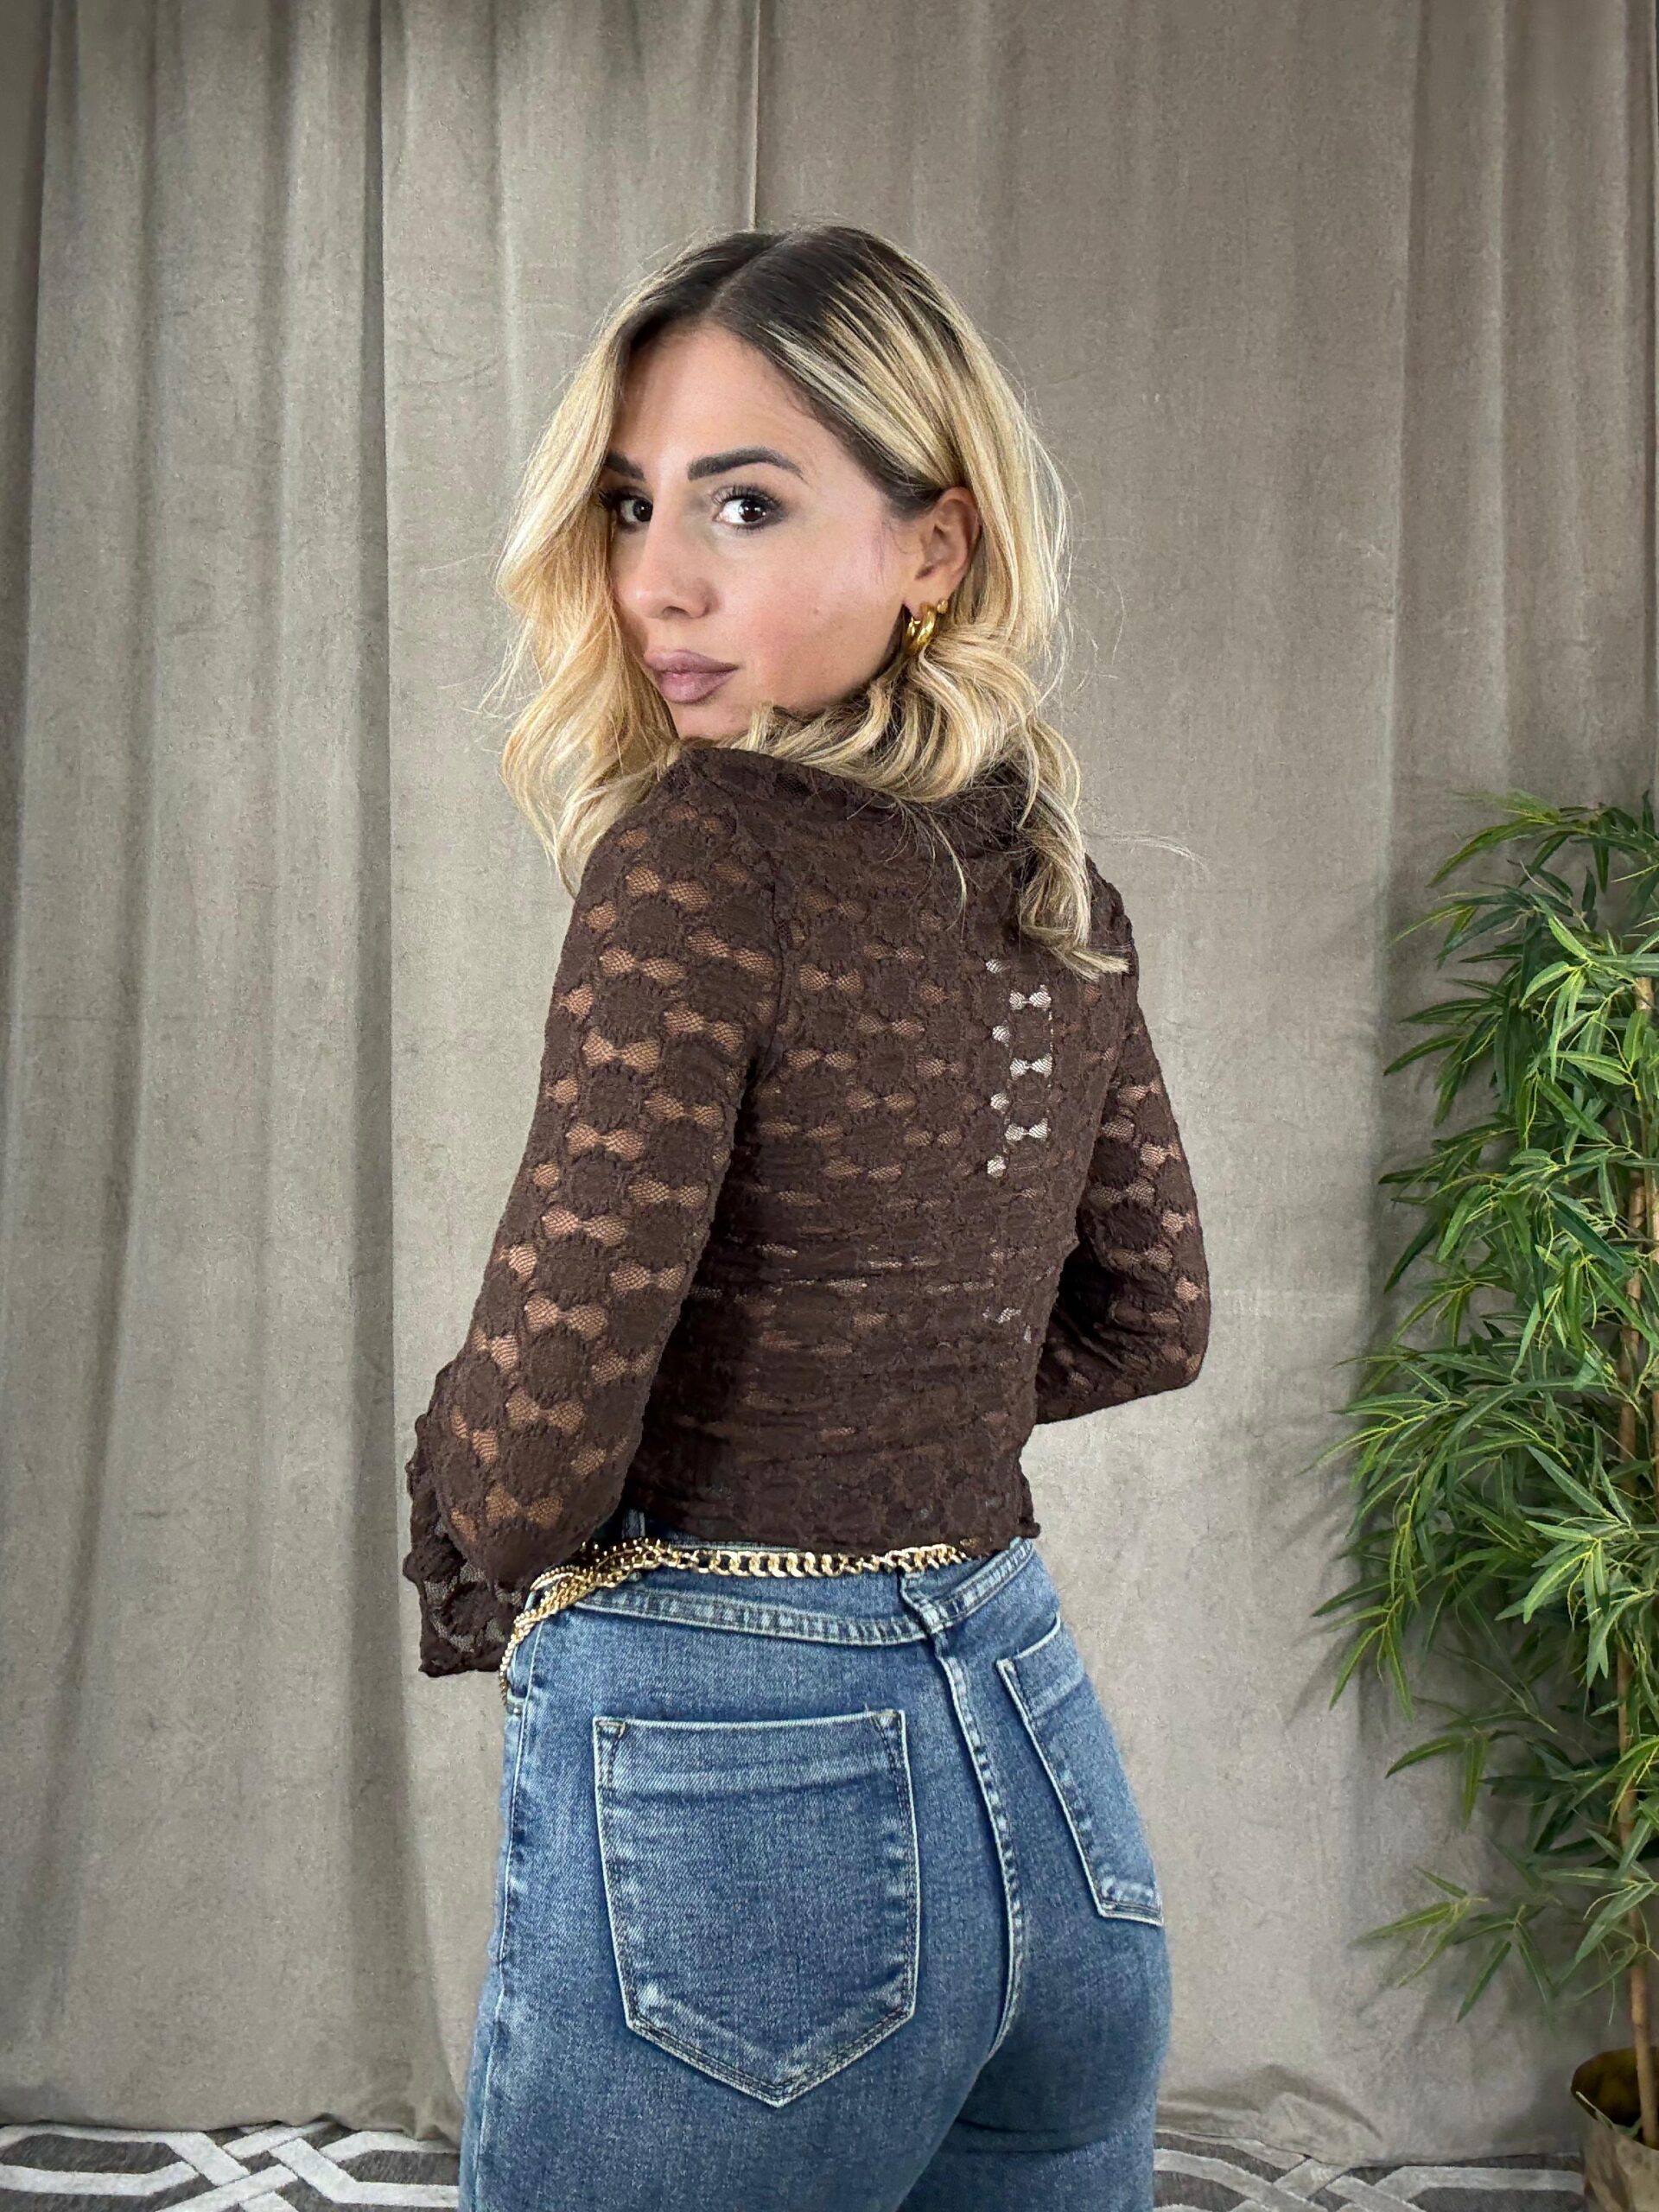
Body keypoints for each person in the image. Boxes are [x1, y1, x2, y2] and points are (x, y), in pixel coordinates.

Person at [401, 221, 1211, 2212]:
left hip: (746, 1823)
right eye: (630, 503)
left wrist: (468, 1516)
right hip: (1043, 1778)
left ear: (936, 545)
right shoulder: (1054, 885)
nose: (656, 578)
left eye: (744, 502)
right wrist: (872, 1390)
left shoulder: (698, 858)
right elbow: (1155, 1314)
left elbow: (529, 1459)